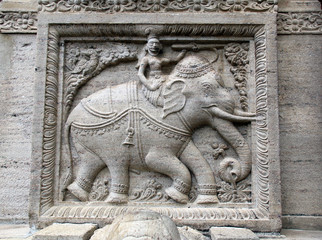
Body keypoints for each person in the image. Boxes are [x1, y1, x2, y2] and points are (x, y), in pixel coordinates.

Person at [137, 35, 186, 107]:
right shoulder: (146, 59)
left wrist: (183, 52)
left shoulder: (161, 59)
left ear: (160, 46)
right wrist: (150, 86)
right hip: (153, 80)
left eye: (156, 44)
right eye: (151, 44)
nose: (154, 46)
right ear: (147, 46)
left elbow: (175, 60)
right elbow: (140, 74)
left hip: (162, 78)